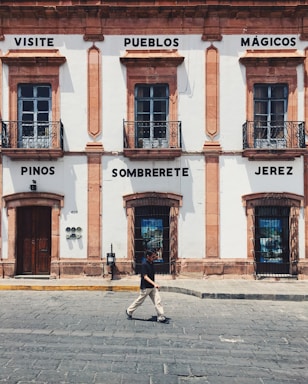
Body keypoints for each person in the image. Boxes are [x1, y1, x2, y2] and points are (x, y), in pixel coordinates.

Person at [126, 249, 167, 323]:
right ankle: (129, 310)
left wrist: (156, 254)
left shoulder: (151, 262)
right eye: (152, 257)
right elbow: (145, 276)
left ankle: (160, 316)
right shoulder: (144, 264)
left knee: (158, 300)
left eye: (154, 257)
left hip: (152, 287)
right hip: (146, 287)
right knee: (140, 301)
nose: (154, 258)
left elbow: (157, 257)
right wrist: (154, 284)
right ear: (148, 256)